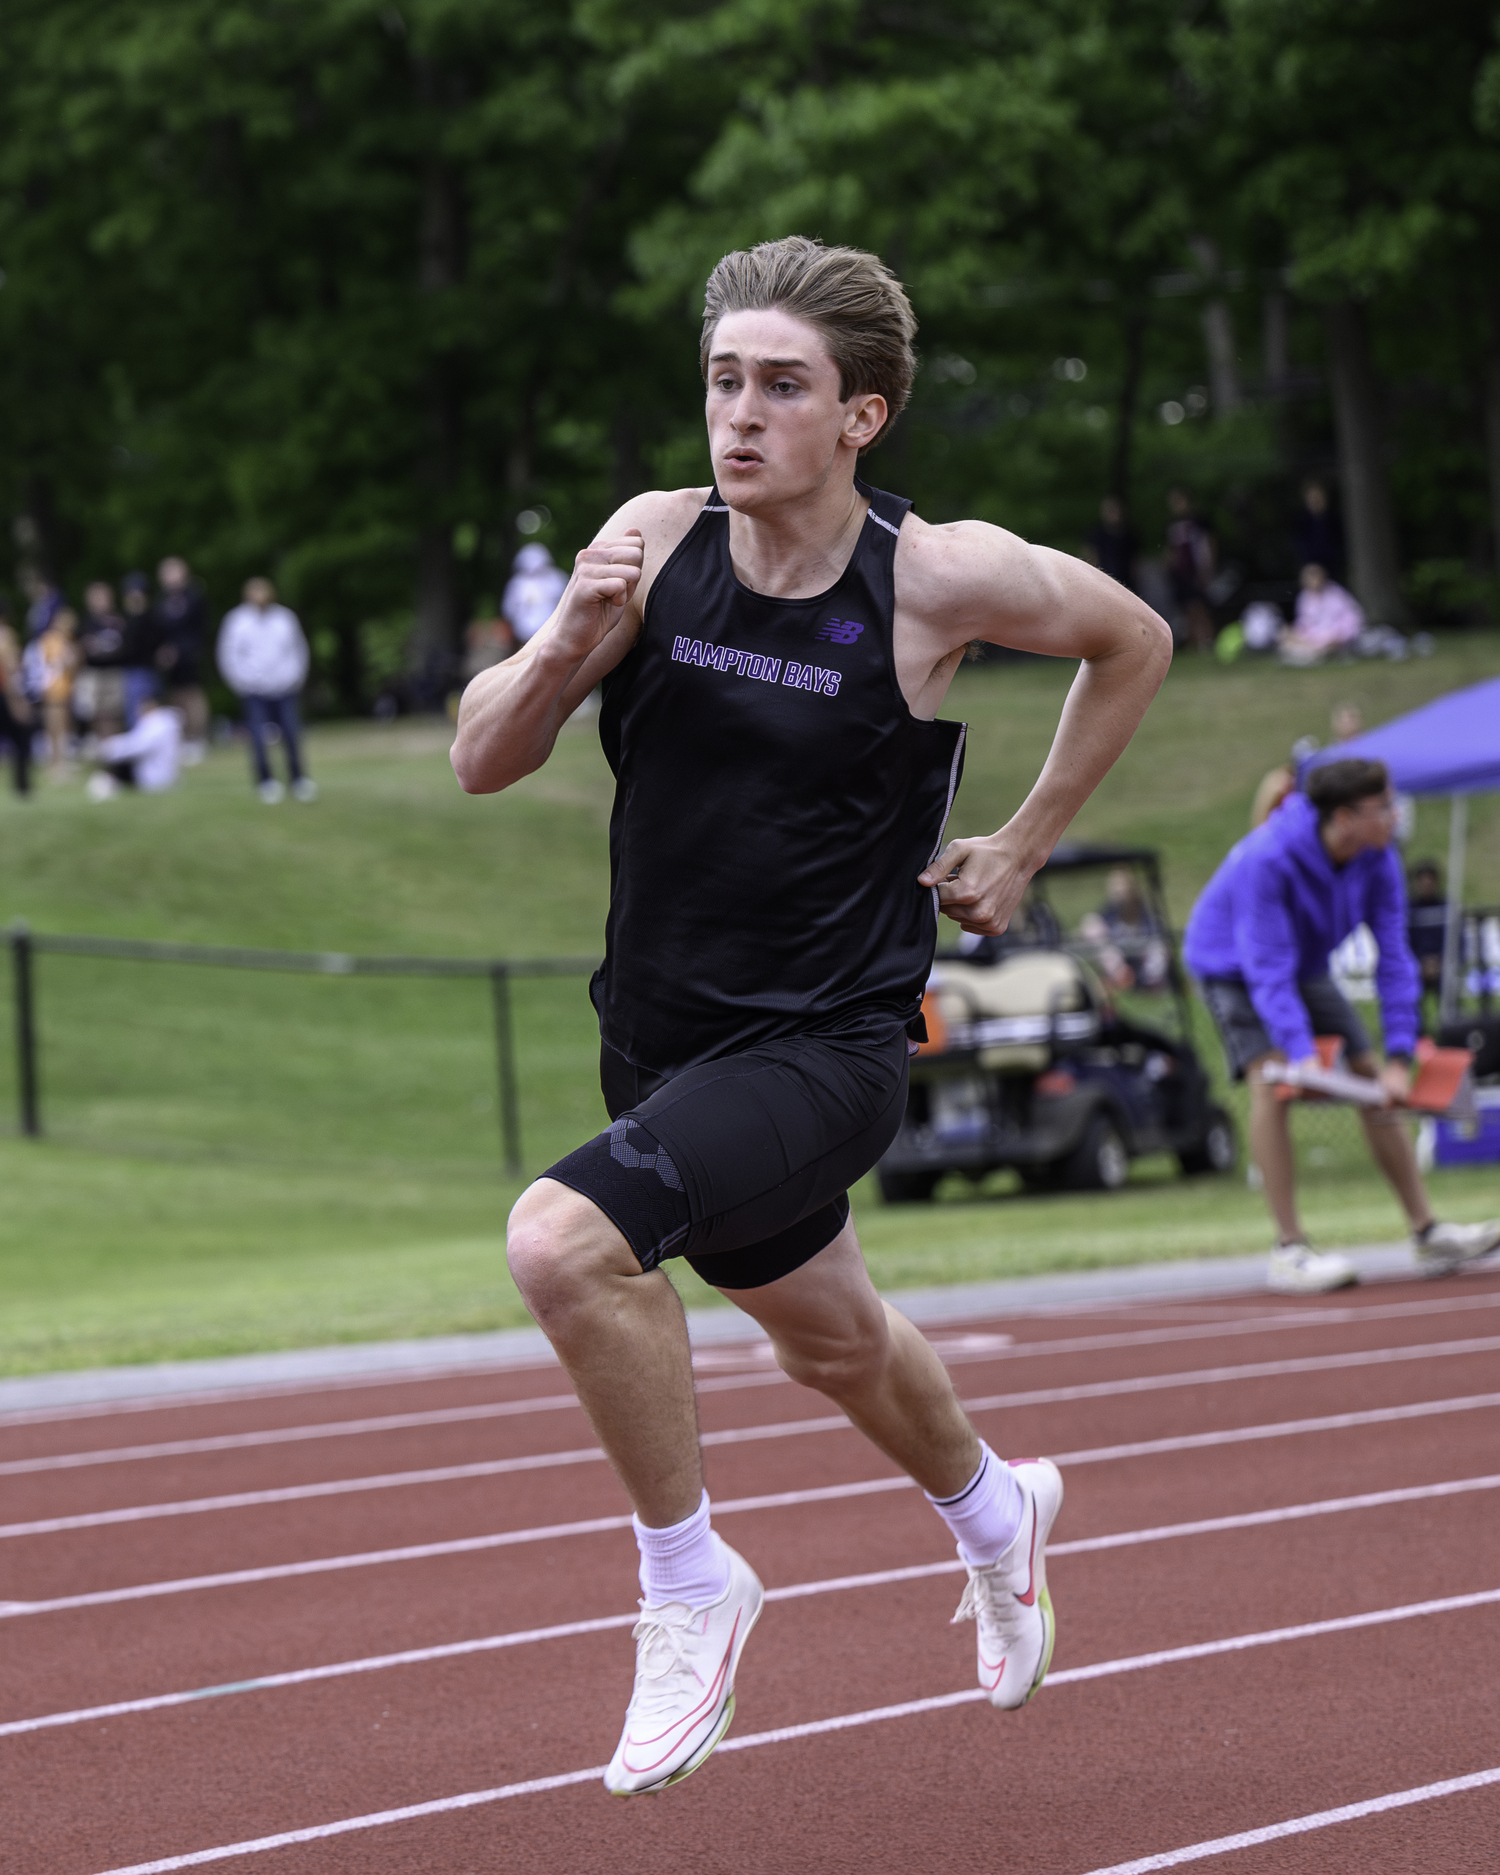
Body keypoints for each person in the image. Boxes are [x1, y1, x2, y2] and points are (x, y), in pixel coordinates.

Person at [451, 235, 1174, 1797]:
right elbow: (481, 757)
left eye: (783, 385)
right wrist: (571, 641)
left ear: (865, 416)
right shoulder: (652, 541)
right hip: (659, 1034)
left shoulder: (933, 576)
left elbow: (1135, 637)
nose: (742, 413)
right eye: (724, 379)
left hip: (830, 1045)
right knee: (833, 1339)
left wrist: (1027, 838)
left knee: (562, 1241)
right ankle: (997, 1512)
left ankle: (687, 1579)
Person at [1184, 758, 1500, 1295]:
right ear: (1345, 817)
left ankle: (1427, 1231)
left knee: (1373, 1077)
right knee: (1272, 1081)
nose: (1396, 817)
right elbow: (1266, 969)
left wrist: (1401, 1058)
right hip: (1230, 965)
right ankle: (1289, 1250)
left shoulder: (1378, 858)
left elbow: (1395, 958)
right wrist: (1300, 1053)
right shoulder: (1270, 858)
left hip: (1304, 965)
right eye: (1385, 809)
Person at [216, 577, 316, 803]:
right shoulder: (237, 621)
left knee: (291, 734)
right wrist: (242, 682)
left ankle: (298, 779)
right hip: (254, 690)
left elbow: (298, 650)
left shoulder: (284, 618)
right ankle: (266, 781)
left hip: (284, 687)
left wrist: (294, 678)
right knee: (258, 738)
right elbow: (228, 655)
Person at [155, 556, 211, 763]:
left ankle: (198, 737)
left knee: (192, 695)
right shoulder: (163, 601)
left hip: (189, 654)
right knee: (176, 697)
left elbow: (199, 629)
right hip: (170, 659)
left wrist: (185, 650)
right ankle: (184, 738)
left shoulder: (194, 597)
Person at [1078, 867, 1169, 990]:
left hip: (1142, 958)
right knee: (1091, 925)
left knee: (1159, 942)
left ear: (1132, 888)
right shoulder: (1108, 913)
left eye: (1122, 886)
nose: (1119, 891)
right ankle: (1121, 977)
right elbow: (1093, 933)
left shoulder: (1146, 913)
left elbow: (1156, 939)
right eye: (1115, 887)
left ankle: (1152, 981)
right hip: (1119, 959)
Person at [85, 695, 182, 799]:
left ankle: (107, 786)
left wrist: (108, 747)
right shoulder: (167, 723)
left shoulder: (156, 724)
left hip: (154, 779)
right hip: (167, 776)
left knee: (116, 763)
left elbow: (136, 746)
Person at [22, 606, 79, 774]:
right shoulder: (51, 640)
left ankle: (59, 761)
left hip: (62, 689)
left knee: (61, 727)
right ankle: (57, 764)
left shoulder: (65, 640)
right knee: (55, 727)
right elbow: (46, 664)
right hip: (53, 689)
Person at [75, 582, 129, 741]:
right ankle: (100, 743)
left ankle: (115, 745)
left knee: (113, 711)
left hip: (113, 671)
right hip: (93, 672)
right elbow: (80, 647)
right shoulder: (85, 622)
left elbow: (125, 646)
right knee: (94, 711)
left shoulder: (118, 621)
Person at [1279, 563, 1363, 664]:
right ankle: (1312, 654)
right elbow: (1303, 623)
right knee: (1284, 634)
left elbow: (1353, 619)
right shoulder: (1304, 597)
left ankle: (1312, 655)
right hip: (1311, 638)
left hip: (1332, 637)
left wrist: (1340, 636)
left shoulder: (1335, 594)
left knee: (1328, 642)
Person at [1165, 487, 1215, 650]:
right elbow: (1170, 549)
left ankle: (1207, 639)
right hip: (1180, 572)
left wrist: (1207, 567)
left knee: (1199, 605)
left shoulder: (1198, 522)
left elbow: (1208, 544)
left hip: (1196, 569)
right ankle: (1193, 640)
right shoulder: (1172, 524)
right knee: (1186, 607)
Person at [500, 543, 568, 645]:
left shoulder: (556, 580)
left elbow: (567, 603)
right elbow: (509, 610)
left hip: (553, 636)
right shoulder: (517, 584)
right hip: (524, 637)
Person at [1407, 860, 1448, 1026]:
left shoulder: (1447, 908)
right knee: (1410, 989)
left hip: (1443, 967)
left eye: (1430, 880)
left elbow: (1455, 942)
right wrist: (1419, 963)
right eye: (1422, 880)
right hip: (1418, 968)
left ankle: (1449, 1029)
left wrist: (1441, 962)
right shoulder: (1409, 910)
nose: (1426, 884)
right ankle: (1417, 1031)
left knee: (1447, 988)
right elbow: (1404, 942)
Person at [0, 603, 34, 797]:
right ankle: (22, 786)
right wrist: (17, 701)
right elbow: (10, 671)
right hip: (5, 695)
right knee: (21, 738)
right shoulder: (6, 636)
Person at [1293, 480, 1345, 583]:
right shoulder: (1301, 522)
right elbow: (1299, 548)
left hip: (1333, 572)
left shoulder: (1335, 521)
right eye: (1311, 497)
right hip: (1310, 572)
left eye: (1318, 496)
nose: (1315, 500)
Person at [1086, 496, 1138, 590]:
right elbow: (1091, 558)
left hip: (1126, 582)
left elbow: (1135, 562)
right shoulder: (1096, 534)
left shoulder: (1129, 534)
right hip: (1103, 581)